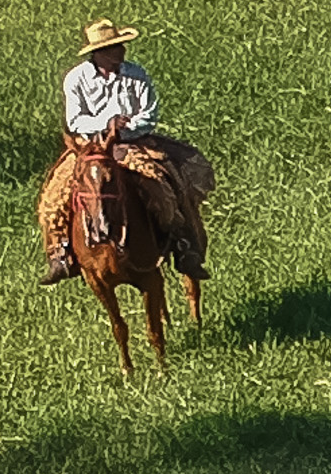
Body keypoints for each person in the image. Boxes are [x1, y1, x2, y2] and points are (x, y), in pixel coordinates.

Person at [38, 20, 215, 283]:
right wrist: (107, 125)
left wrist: (124, 128)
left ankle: (184, 243)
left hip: (134, 143)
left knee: (166, 184)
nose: (121, 51)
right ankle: (60, 252)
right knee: (55, 196)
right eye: (114, 47)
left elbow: (149, 113)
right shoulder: (76, 79)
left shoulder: (136, 74)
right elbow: (75, 120)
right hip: (90, 147)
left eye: (120, 45)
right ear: (99, 53)